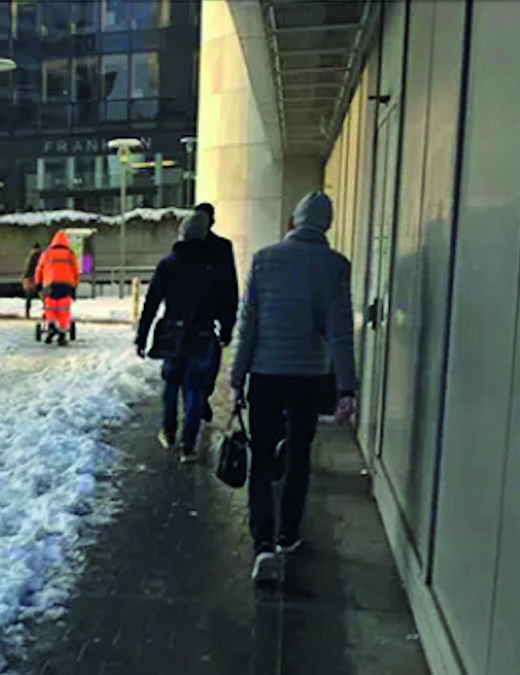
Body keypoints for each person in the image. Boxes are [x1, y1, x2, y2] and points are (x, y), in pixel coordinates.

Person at [230, 192, 358, 583]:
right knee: (299, 455)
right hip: (308, 377)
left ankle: (263, 545)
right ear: (327, 224)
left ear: (294, 220)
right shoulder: (335, 266)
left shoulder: (264, 260)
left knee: (262, 458)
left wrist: (236, 379)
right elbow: (339, 333)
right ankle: (287, 535)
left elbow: (247, 325)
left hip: (265, 377)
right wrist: (346, 387)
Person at [135, 211, 230, 463]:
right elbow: (226, 300)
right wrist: (226, 327)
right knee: (196, 389)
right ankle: (189, 445)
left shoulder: (169, 264)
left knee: (171, 383)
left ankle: (168, 431)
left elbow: (152, 301)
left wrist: (142, 335)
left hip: (172, 333)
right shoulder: (212, 267)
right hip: (202, 333)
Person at [193, 203, 239, 423]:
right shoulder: (221, 247)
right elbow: (230, 285)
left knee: (198, 364)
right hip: (210, 315)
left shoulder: (191, 245)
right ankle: (200, 397)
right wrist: (228, 321)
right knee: (210, 362)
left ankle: (198, 398)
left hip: (195, 315)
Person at [35, 230, 80, 345]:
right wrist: (75, 285)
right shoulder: (70, 254)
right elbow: (75, 271)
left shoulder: (47, 253)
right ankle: (63, 333)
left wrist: (38, 284)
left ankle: (51, 325)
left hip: (49, 284)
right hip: (66, 285)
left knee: (50, 306)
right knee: (63, 309)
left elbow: (39, 269)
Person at [22, 242, 43, 318]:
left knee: (30, 296)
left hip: (32, 278)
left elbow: (27, 270)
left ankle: (27, 313)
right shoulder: (40, 257)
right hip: (35, 278)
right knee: (41, 295)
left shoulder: (31, 257)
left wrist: (26, 278)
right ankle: (47, 311)